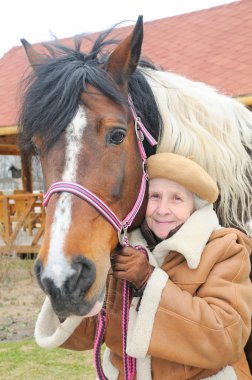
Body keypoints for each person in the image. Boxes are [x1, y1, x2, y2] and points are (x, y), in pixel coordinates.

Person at [34, 153, 252, 380]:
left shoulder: (225, 249)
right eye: (155, 196)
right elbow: (95, 332)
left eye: (176, 198)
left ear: (194, 206)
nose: (162, 209)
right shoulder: (121, 249)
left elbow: (225, 340)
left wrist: (149, 281)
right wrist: (69, 298)